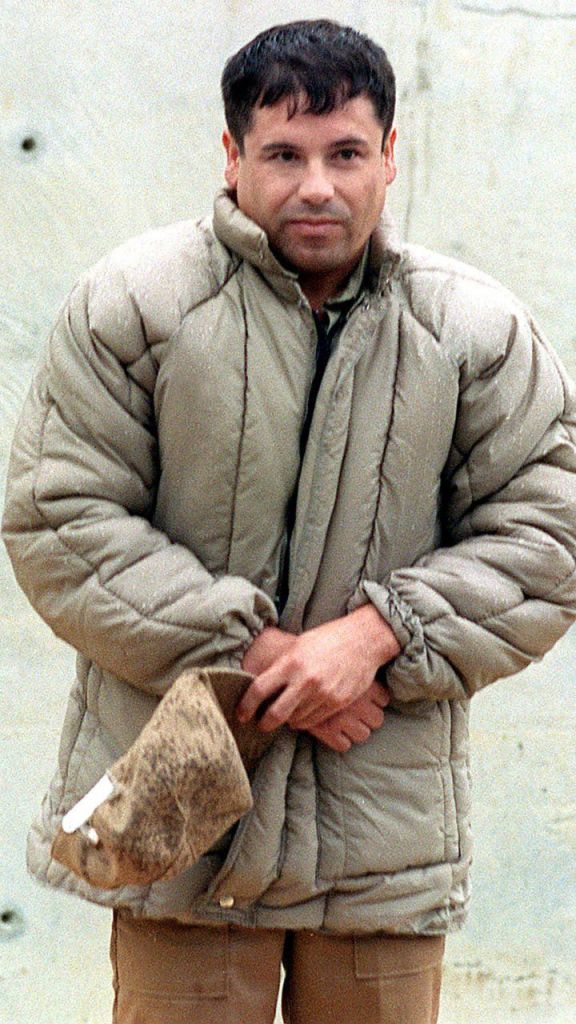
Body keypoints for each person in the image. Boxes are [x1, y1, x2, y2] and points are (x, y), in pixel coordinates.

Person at [3, 18, 576, 1024]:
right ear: (232, 157)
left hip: (380, 841)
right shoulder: (132, 304)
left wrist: (382, 634)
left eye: (346, 154)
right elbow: (60, 518)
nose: (318, 186)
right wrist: (258, 652)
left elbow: (549, 535)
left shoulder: (474, 330)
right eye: (284, 155)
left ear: (390, 155)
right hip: (179, 832)